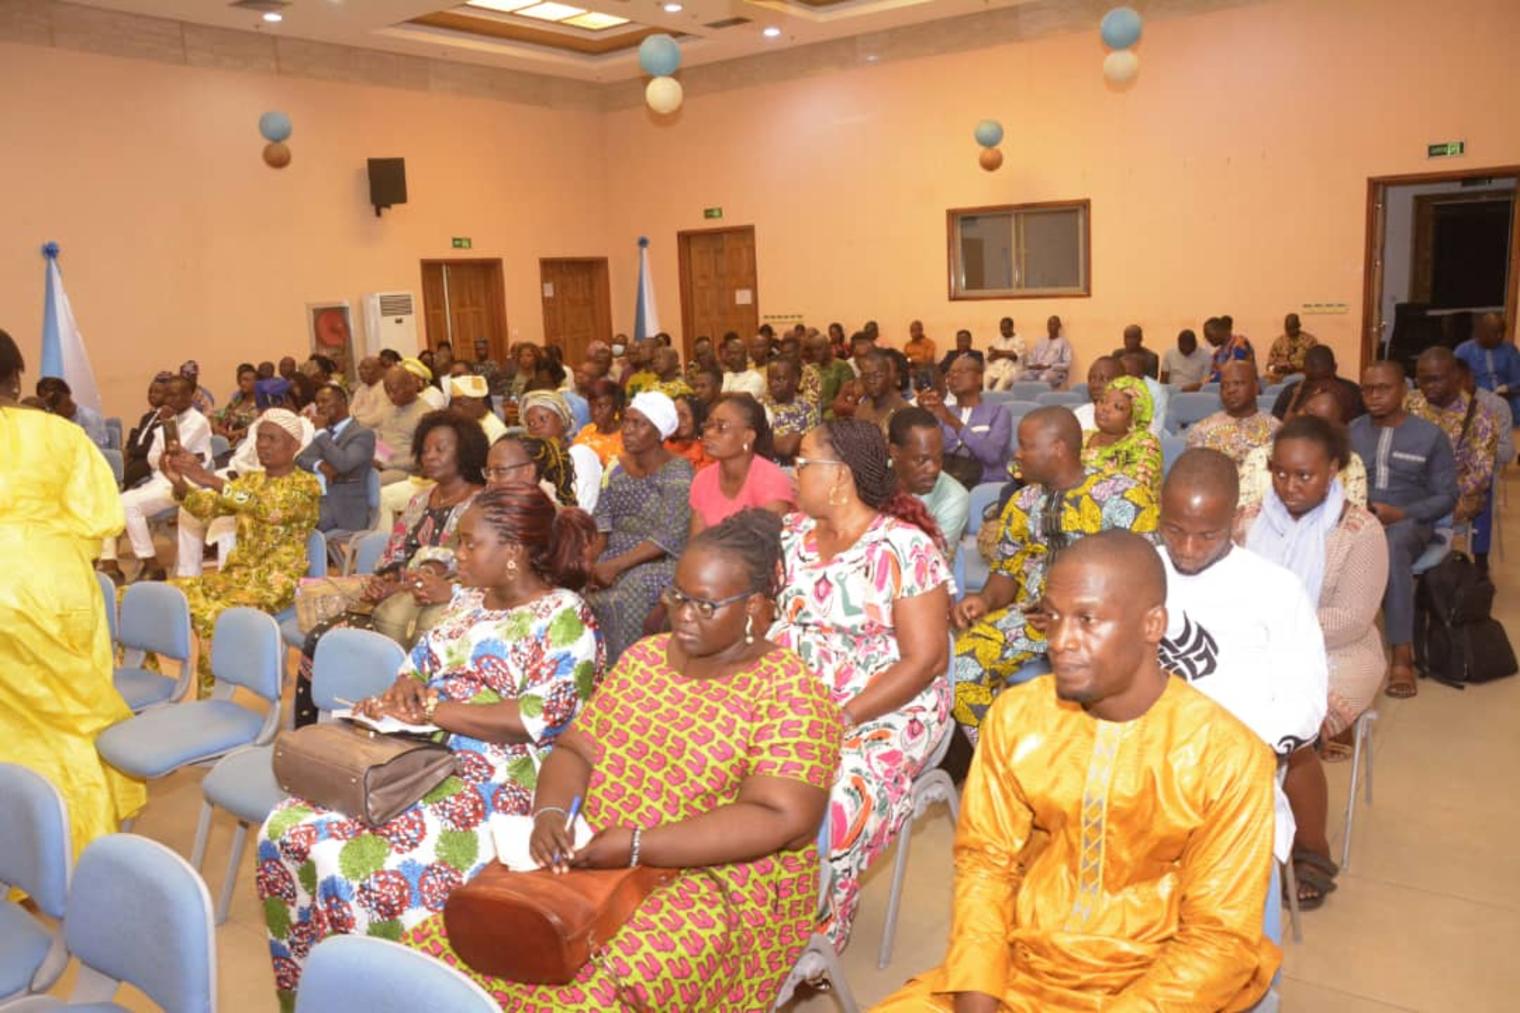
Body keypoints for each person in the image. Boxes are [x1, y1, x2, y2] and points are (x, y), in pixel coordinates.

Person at [407, 509, 840, 1009]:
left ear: (755, 607)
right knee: (454, 953)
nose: (683, 615)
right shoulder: (645, 659)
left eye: (705, 605)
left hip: (714, 877)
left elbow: (781, 818)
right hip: (593, 850)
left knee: (590, 995)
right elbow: (575, 748)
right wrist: (551, 815)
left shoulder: (790, 692)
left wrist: (638, 846)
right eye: (678, 596)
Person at [877, 532, 1279, 1013]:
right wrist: (978, 994)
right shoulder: (1018, 717)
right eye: (1052, 617)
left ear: (1152, 625)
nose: (1060, 641)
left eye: (1087, 620)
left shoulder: (1229, 755)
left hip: (1157, 987)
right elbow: (986, 865)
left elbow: (1218, 941)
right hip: (1020, 969)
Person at [259, 485, 603, 1008]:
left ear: (513, 551)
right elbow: (417, 668)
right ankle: (315, 993)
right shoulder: (466, 604)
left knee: (356, 861)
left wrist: (432, 711)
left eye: (470, 543)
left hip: (498, 776)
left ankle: (387, 994)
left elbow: (537, 717)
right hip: (417, 751)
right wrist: (403, 693)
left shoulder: (564, 615)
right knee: (284, 830)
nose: (457, 554)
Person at [770, 418, 952, 950]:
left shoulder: (904, 548)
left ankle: (818, 932)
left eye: (803, 462)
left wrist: (843, 717)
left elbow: (925, 660)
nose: (793, 473)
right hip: (795, 696)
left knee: (836, 789)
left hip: (887, 705)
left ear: (839, 476)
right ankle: (752, 906)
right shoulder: (791, 536)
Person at [1156, 448, 1329, 901]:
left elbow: (1304, 704)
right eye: (1174, 530)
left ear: (1234, 521)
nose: (1187, 548)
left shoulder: (1275, 589)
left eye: (1206, 535)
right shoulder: (1137, 573)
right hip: (1141, 761)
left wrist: (1236, 753)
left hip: (1230, 770)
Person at [0, 329, 146, 855]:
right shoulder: (60, 434)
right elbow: (100, 517)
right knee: (74, 715)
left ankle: (25, 846)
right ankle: (84, 838)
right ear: (15, 376)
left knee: (17, 726)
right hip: (58, 579)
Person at [1237, 418, 1389, 907]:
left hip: (1337, 652)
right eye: (1280, 473)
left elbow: (1351, 619)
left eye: (1304, 475)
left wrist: (1270, 624)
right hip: (1254, 647)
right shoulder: (1248, 520)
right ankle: (1233, 840)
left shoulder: (1360, 531)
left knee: (1291, 736)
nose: (1289, 486)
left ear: (1333, 470)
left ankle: (1311, 851)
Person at [953, 407, 1157, 734]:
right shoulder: (1022, 502)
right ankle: (1005, 754)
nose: (1018, 454)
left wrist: (1072, 614)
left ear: (1058, 448)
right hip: (1032, 618)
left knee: (1105, 689)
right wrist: (985, 600)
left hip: (1101, 627)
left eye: (1026, 445)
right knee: (961, 667)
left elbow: (1142, 579)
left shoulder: (1122, 497)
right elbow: (1006, 572)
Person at [293, 411, 487, 725]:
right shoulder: (420, 501)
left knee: (340, 640)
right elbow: (393, 554)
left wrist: (401, 587)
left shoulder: (481, 505)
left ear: (465, 451)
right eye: (425, 449)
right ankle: (317, 726)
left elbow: (462, 571)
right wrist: (382, 581)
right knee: (320, 638)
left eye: (440, 449)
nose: (430, 456)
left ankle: (368, 717)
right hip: (393, 597)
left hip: (433, 609)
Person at [160, 410, 321, 695]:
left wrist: (209, 479)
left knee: (210, 616)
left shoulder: (306, 485)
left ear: (294, 446)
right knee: (154, 597)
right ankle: (151, 687)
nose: (263, 445)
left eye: (272, 439)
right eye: (260, 437)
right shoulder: (250, 481)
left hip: (275, 583)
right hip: (236, 576)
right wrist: (179, 482)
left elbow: (269, 509)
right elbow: (206, 509)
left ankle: (211, 700)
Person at [1350, 360, 1457, 699]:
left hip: (1412, 522)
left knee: (1392, 545)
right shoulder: (1352, 432)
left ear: (1404, 391)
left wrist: (1402, 513)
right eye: (1367, 389)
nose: (1373, 396)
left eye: (1383, 388)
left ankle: (1401, 655)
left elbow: (1447, 497)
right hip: (1358, 519)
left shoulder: (1430, 436)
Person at [586, 391, 694, 661]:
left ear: (658, 432)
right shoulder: (617, 468)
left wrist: (614, 566)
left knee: (632, 590)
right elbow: (602, 525)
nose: (628, 430)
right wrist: (590, 563)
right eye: (626, 421)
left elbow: (668, 536)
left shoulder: (678, 471)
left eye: (639, 424)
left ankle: (629, 667)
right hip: (615, 556)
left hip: (660, 560)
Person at [97, 375, 213, 583]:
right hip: (160, 480)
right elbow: (153, 459)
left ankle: (151, 564)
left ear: (190, 395)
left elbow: (173, 451)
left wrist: (167, 427)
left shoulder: (198, 422)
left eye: (176, 395)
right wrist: (165, 454)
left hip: (185, 484)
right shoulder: (167, 419)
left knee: (129, 504)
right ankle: (111, 564)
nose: (170, 400)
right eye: (168, 395)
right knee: (113, 503)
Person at [1407, 345, 1498, 524]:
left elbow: (1481, 475)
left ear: (1456, 377)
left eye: (1435, 380)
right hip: (1407, 488)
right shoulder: (1408, 402)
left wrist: (1438, 493)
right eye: (1422, 380)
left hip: (1455, 496)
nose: (1428, 387)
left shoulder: (1481, 417)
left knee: (1415, 520)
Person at [1240, 383, 1367, 511]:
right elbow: (1244, 513)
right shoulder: (1260, 457)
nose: (1290, 487)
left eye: (1321, 421)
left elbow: (1354, 514)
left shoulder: (1352, 464)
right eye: (1308, 412)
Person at [689, 393, 793, 533]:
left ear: (748, 436)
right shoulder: (702, 480)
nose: (709, 433)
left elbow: (771, 543)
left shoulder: (771, 481)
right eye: (709, 425)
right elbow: (697, 541)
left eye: (721, 427)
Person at [892, 407, 970, 560]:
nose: (934, 469)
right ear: (894, 453)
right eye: (921, 460)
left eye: (939, 457)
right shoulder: (872, 481)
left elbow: (931, 563)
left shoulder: (954, 497)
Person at [922, 354, 1011, 487]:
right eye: (950, 374)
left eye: (962, 371)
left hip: (983, 485)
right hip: (947, 485)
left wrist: (953, 422)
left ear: (979, 378)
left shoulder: (998, 412)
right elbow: (931, 453)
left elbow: (992, 455)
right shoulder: (943, 411)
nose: (954, 376)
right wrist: (925, 416)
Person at [297, 383, 375, 533]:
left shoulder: (362, 434)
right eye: (317, 403)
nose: (320, 407)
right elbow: (301, 459)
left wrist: (320, 433)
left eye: (325, 401)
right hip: (318, 500)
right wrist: (320, 464)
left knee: (294, 524)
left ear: (343, 402)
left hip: (343, 508)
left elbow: (343, 464)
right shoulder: (327, 433)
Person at [1459, 358, 1513, 572]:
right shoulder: (1434, 404)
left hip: (1478, 471)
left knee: (1482, 484)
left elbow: (1507, 451)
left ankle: (1480, 562)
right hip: (1442, 472)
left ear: (1470, 379)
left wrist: (1478, 451)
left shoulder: (1495, 405)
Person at [1082, 375, 1163, 498]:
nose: (1105, 408)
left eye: (1118, 407)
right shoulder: (1082, 437)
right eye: (1102, 401)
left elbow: (1132, 494)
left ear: (1133, 418)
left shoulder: (1145, 445)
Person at [521, 389, 601, 512]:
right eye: (530, 423)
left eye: (543, 419)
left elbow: (581, 509)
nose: (536, 426)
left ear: (562, 420)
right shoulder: (533, 462)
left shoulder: (580, 455)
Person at [1186, 361, 1280, 464]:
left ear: (1256, 387)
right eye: (1225, 386)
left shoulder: (1276, 430)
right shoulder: (1202, 431)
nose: (1230, 390)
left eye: (1238, 383)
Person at [1270, 345, 1365, 420]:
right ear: (1304, 372)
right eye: (1313, 381)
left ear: (1335, 368)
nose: (1319, 387)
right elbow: (1275, 427)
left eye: (1325, 379)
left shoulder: (1352, 393)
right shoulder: (1290, 392)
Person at [374, 364, 431, 485]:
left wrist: (385, 464)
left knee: (365, 486)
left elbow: (421, 459)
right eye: (387, 391)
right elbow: (382, 439)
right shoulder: (389, 410)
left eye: (395, 391)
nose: (391, 396)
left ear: (411, 385)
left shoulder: (425, 415)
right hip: (383, 466)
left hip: (407, 473)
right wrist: (376, 459)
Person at [1456, 311, 1520, 418]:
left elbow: (1518, 378)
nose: (1500, 336)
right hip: (1477, 399)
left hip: (1508, 399)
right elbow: (1457, 380)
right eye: (1495, 332)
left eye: (1502, 332)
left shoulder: (1509, 350)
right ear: (1481, 332)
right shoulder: (1463, 350)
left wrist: (1508, 388)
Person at [761, 357, 819, 464]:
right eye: (770, 379)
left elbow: (787, 448)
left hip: (789, 469)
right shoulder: (761, 405)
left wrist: (758, 436)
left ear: (796, 380)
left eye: (780, 379)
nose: (773, 384)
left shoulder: (806, 409)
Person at [123, 373, 173, 489]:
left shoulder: (168, 417)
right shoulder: (147, 417)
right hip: (136, 458)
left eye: (157, 392)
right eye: (150, 392)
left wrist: (131, 451)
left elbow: (152, 446)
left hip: (149, 461)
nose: (152, 395)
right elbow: (137, 439)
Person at [35, 375, 109, 448]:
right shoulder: (51, 419)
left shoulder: (89, 418)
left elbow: (94, 450)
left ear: (67, 395)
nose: (49, 408)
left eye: (53, 402)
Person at [571, 378, 625, 467]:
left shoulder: (627, 437)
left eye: (602, 406)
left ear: (617, 407)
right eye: (591, 405)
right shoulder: (586, 431)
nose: (595, 412)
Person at [854, 350, 911, 430]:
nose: (872, 381)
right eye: (866, 376)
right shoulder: (862, 409)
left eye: (878, 375)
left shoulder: (905, 412)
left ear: (890, 377)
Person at [1118, 350, 1170, 437]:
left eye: (1128, 374)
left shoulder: (1156, 391)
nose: (1123, 378)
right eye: (1121, 374)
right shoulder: (1114, 386)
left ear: (1141, 376)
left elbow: (1158, 427)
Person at [446, 373, 507, 444]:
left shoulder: (497, 431)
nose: (454, 409)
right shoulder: (461, 424)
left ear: (479, 400)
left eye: (460, 404)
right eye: (453, 404)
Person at [1016, 315, 1072, 387]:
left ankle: (1040, 394)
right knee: (1017, 377)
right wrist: (1032, 365)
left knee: (1043, 378)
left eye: (1053, 324)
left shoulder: (1064, 343)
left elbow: (1067, 364)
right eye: (1049, 324)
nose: (1051, 327)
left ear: (1059, 326)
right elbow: (1031, 357)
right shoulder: (1041, 341)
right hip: (1036, 371)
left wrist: (1050, 366)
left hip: (1053, 372)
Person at [1071, 356, 1124, 431]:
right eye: (1091, 379)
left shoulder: (1133, 421)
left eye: (1103, 379)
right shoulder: (1078, 416)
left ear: (1121, 382)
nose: (1095, 385)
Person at [1266, 312, 1318, 381]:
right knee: (1263, 381)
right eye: (1288, 329)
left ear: (1298, 326)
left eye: (1292, 328)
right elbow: (1269, 367)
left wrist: (1295, 366)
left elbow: (1315, 366)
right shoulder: (1279, 342)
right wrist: (1276, 368)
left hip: (1301, 376)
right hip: (1280, 377)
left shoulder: (1309, 341)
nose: (1290, 331)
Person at [1206, 315, 1255, 381]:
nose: (1208, 339)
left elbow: (1234, 369)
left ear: (1221, 331)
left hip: (1243, 383)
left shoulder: (1240, 343)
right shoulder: (1217, 354)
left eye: (1210, 335)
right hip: (1225, 384)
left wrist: (1211, 379)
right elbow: (1212, 373)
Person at [718, 332, 765, 398]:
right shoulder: (725, 376)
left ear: (745, 355)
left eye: (735, 353)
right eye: (729, 354)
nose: (732, 357)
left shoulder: (755, 377)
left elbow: (744, 398)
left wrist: (722, 396)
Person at [984, 316, 1024, 391]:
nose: (1003, 331)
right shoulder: (997, 339)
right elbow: (990, 357)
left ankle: (994, 397)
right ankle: (986, 397)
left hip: (1011, 369)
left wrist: (997, 352)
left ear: (1011, 328)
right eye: (1002, 328)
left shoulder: (1019, 340)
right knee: (985, 378)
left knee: (1001, 384)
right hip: (996, 368)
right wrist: (1005, 354)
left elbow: (1014, 356)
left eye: (1006, 328)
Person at [349, 355, 388, 428]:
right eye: (360, 368)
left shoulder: (385, 388)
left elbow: (378, 418)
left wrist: (355, 423)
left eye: (366, 368)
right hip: (355, 427)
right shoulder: (361, 389)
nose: (361, 371)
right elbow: (351, 411)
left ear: (379, 370)